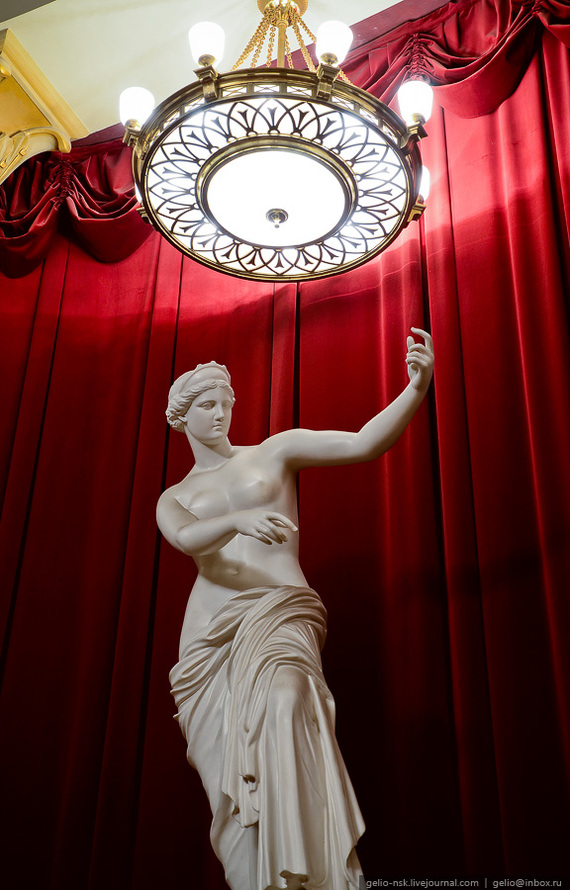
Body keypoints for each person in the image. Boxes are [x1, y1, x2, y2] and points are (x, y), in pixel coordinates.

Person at [157, 328, 434, 890]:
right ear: (182, 417)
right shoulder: (174, 497)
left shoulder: (274, 451)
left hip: (280, 612)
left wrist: (416, 388)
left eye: (226, 403)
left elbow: (362, 443)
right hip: (210, 640)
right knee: (228, 780)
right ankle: (258, 878)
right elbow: (186, 539)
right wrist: (237, 521)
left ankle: (309, 871)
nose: (220, 413)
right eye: (207, 405)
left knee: (286, 701)